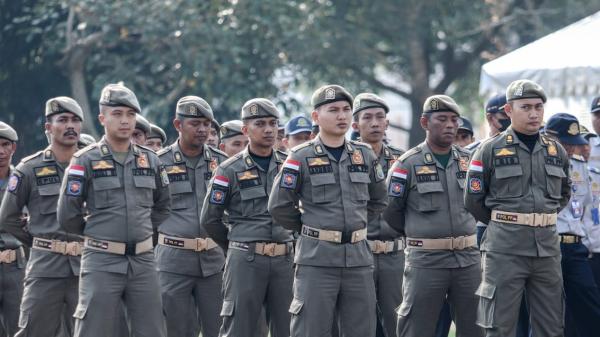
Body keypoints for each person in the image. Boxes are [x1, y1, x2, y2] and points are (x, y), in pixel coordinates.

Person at [268, 84, 387, 337]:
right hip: (317, 260)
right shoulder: (300, 156)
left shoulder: (364, 155)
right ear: (316, 117)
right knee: (311, 329)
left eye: (346, 110)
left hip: (358, 259)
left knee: (361, 330)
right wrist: (309, 228)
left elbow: (379, 201)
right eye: (333, 110)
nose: (341, 116)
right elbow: (279, 205)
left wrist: (354, 223)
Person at [56, 83, 170, 337]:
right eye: (117, 114)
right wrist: (98, 234)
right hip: (101, 260)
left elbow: (163, 205)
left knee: (152, 329)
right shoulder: (84, 160)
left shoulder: (150, 160)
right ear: (102, 118)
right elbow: (67, 215)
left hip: (143, 262)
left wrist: (143, 235)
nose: (125, 121)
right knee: (93, 329)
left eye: (130, 115)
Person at [465, 79, 570, 337]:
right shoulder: (489, 150)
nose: (534, 113)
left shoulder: (556, 150)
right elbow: (473, 199)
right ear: (509, 111)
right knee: (499, 325)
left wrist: (539, 219)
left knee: (551, 325)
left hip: (546, 248)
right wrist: (507, 222)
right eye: (525, 107)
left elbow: (564, 195)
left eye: (538, 107)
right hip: (504, 249)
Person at [384, 95, 482, 337]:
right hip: (426, 260)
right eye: (442, 119)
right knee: (416, 328)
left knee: (476, 328)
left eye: (454, 120)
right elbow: (391, 211)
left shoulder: (468, 162)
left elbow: (479, 203)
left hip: (467, 260)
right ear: (425, 123)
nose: (450, 125)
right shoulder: (407, 164)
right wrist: (422, 235)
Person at [200, 98, 293, 337]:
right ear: (245, 130)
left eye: (273, 123)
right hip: (246, 259)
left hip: (285, 260)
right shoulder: (229, 169)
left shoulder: (290, 165)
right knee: (238, 327)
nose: (269, 129)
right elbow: (210, 219)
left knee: (291, 327)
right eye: (260, 123)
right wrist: (236, 245)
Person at [0, 97, 84, 337]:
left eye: (76, 120)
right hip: (46, 267)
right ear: (48, 127)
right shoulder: (30, 169)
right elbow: (7, 218)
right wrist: (38, 242)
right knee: (33, 330)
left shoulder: (94, 165)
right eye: (63, 120)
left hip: (88, 266)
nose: (70, 126)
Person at [156, 96, 227, 337]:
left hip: (214, 262)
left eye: (207, 124)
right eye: (195, 123)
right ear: (178, 125)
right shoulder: (158, 163)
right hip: (173, 263)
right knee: (177, 330)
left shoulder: (223, 164)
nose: (203, 130)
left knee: (219, 330)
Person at [351, 93, 404, 337]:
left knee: (400, 324)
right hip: (360, 253)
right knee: (359, 325)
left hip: (395, 254)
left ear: (387, 123)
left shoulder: (404, 160)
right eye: (367, 118)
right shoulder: (345, 159)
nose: (374, 123)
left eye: (379, 117)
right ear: (355, 125)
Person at [544, 113, 600, 337]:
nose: (570, 148)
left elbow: (586, 209)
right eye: (565, 143)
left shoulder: (579, 166)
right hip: (548, 246)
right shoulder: (536, 164)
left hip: (576, 248)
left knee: (590, 305)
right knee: (549, 311)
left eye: (573, 144)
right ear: (550, 138)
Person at [0, 122, 26, 337]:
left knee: (19, 328)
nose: (0, 151)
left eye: (5, 144)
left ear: (13, 148)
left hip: (17, 267)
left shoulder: (25, 179)